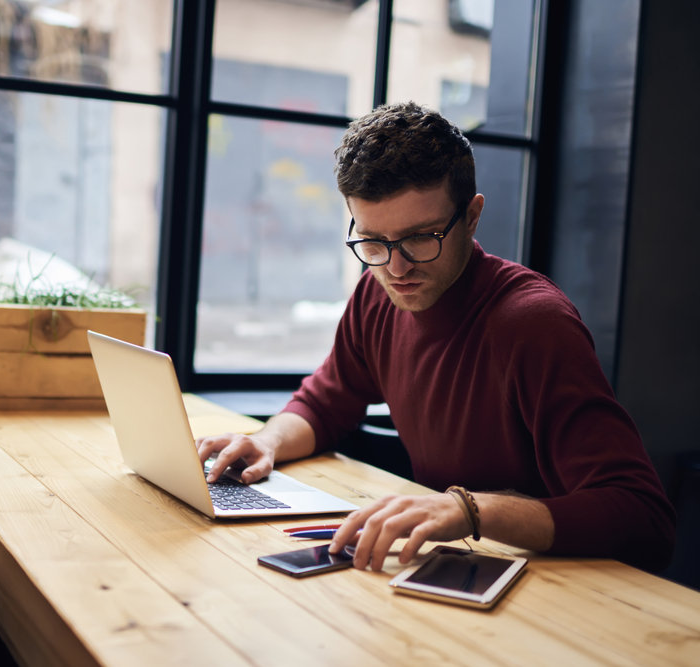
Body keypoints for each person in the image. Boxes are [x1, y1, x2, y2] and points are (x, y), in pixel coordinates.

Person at [196, 101, 676, 574]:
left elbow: (643, 518)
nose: (397, 267)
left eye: (421, 237)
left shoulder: (534, 324)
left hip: (554, 582)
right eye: (372, 241)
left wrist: (469, 511)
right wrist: (269, 440)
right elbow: (325, 402)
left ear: (471, 217)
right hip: (455, 566)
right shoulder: (376, 292)